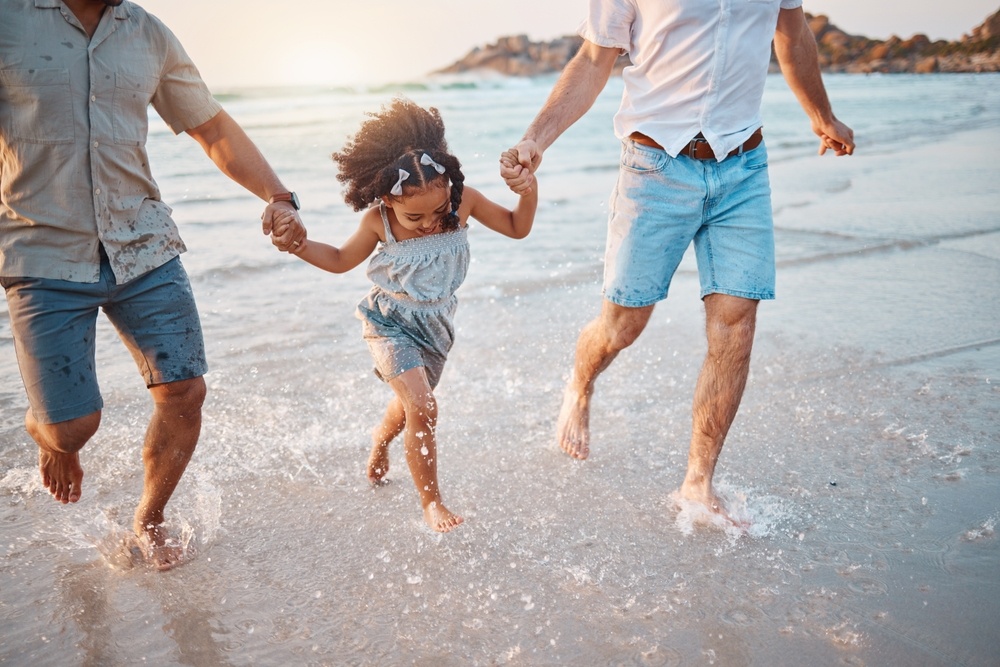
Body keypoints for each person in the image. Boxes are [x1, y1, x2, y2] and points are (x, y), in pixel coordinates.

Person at [501, 1, 855, 523]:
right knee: (623, 324)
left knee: (736, 323)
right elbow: (596, 59)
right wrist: (537, 138)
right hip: (654, 168)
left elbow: (792, 33)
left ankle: (697, 482)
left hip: (743, 164)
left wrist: (822, 117)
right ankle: (580, 385)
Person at [0, 0, 306, 569]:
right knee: (71, 429)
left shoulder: (148, 34)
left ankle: (150, 517)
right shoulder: (10, 21)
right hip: (42, 253)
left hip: (144, 244)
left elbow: (211, 127)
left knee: (185, 391)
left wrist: (279, 197)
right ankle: (50, 433)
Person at [273, 98, 536, 532]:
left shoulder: (464, 202)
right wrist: (297, 245)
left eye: (440, 210)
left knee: (413, 405)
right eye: (415, 216)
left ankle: (380, 442)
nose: (431, 223)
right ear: (385, 200)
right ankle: (431, 503)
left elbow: (516, 227)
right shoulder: (380, 222)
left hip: (436, 326)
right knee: (424, 404)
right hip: (389, 323)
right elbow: (340, 260)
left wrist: (529, 192)